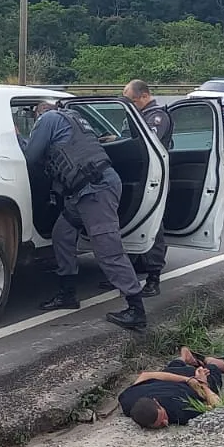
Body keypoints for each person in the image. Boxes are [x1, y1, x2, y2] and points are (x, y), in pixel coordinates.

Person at [19, 100, 147, 330]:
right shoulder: (73, 118)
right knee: (62, 233)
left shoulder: (48, 120)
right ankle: (68, 293)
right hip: (86, 191)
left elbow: (30, 156)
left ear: (39, 114)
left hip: (95, 192)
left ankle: (136, 308)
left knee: (109, 251)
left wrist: (18, 137)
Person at [99, 79, 174, 297]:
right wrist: (117, 139)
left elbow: (146, 142)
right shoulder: (139, 114)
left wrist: (122, 141)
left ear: (143, 96)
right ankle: (125, 275)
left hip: (154, 178)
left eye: (131, 100)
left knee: (153, 226)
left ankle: (153, 278)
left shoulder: (157, 116)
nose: (129, 104)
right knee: (130, 224)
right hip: (138, 175)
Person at [120, 347, 224, 429]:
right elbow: (146, 375)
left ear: (156, 402)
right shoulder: (127, 399)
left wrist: (202, 383)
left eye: (163, 418)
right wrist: (190, 380)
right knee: (173, 367)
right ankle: (184, 358)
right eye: (160, 424)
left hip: (191, 379)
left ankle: (210, 361)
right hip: (171, 374)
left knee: (214, 371)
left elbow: (218, 407)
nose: (166, 423)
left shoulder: (180, 411)